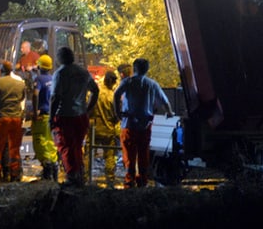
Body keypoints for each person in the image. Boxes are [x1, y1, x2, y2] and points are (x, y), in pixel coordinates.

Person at [113, 58, 173, 188]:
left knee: (129, 155)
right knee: (143, 154)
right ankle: (142, 182)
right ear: (147, 69)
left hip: (129, 124)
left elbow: (116, 95)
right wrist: (169, 112)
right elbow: (165, 101)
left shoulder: (127, 82)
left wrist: (118, 113)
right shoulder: (152, 84)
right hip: (145, 125)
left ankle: (130, 182)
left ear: (134, 69)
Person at [50, 46, 99, 187]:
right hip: (81, 116)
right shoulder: (83, 72)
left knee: (66, 147)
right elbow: (95, 91)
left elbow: (55, 98)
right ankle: (80, 176)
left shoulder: (60, 74)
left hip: (64, 116)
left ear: (60, 58)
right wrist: (87, 109)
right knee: (77, 147)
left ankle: (72, 178)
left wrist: (51, 118)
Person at [91, 70, 121, 187]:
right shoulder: (113, 96)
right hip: (108, 129)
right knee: (109, 155)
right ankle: (110, 180)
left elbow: (88, 107)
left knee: (88, 154)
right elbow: (117, 115)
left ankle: (85, 177)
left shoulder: (95, 93)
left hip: (94, 128)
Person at [31, 54, 59, 181]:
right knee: (50, 142)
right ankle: (54, 168)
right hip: (51, 114)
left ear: (39, 66)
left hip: (42, 115)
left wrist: (35, 111)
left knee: (40, 141)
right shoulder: (53, 79)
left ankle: (46, 167)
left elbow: (35, 94)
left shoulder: (39, 79)